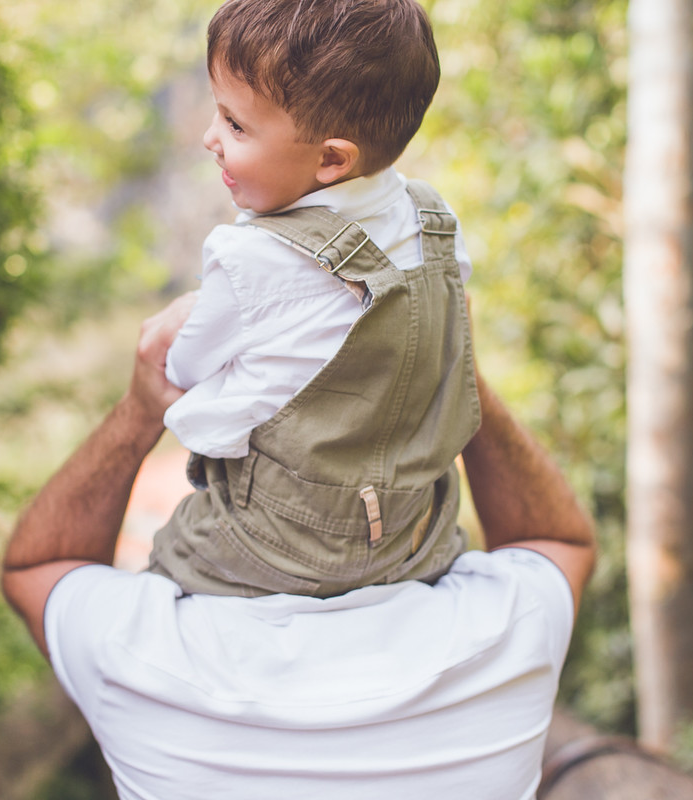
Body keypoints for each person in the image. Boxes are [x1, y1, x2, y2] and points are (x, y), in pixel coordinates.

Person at [1, 295, 597, 800]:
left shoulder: (140, 655)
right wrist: (451, 367)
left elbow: (40, 563)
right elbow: (553, 538)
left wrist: (140, 410)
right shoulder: (502, 635)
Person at [151, 0, 482, 598]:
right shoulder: (433, 221)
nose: (209, 139)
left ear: (332, 159)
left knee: (166, 561)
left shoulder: (250, 257)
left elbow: (184, 368)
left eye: (235, 125)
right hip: (416, 535)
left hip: (278, 542)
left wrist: (184, 326)